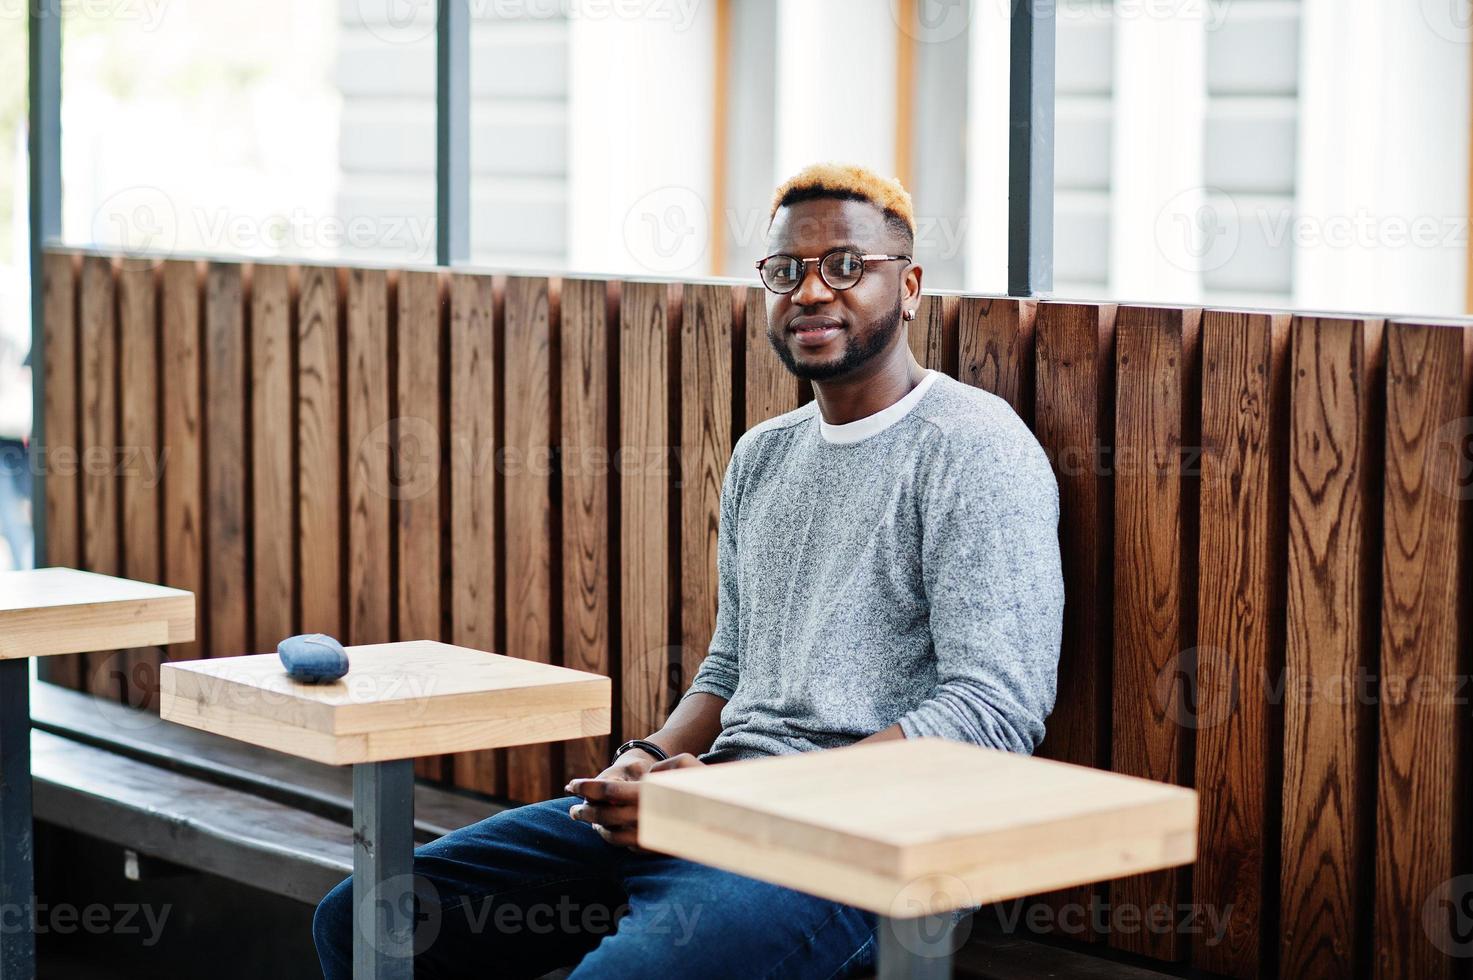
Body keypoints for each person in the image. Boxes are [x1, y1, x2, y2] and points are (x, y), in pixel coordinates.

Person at [312, 163, 1064, 979]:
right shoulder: (763, 456)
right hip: (712, 804)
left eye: (845, 265)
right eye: (785, 271)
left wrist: (736, 801)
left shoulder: (973, 448)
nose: (811, 291)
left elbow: (992, 714)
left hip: (864, 849)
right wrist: (643, 756)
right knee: (368, 917)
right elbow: (732, 665)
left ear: (909, 285)